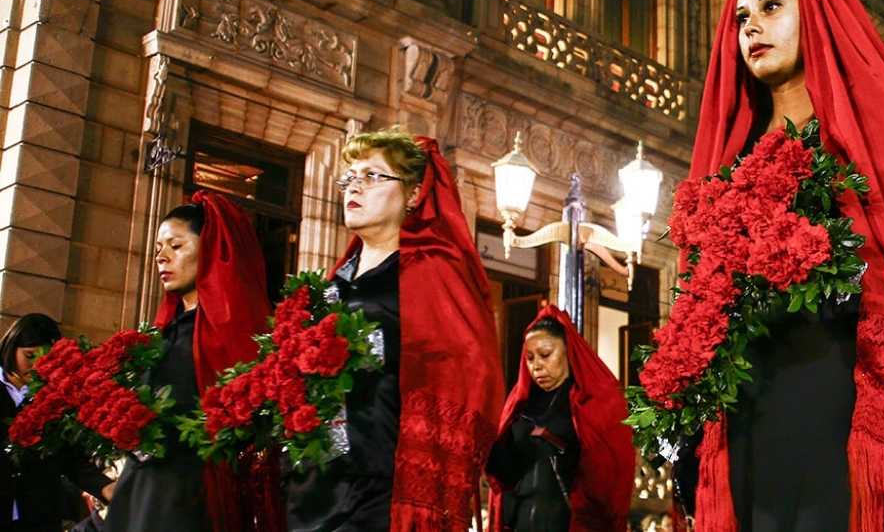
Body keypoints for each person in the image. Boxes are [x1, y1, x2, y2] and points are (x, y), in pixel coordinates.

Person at [681, 0, 884, 530]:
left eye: (773, 7)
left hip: (835, 384)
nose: (752, 27)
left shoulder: (876, 140)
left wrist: (823, 262)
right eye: (742, 18)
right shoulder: (733, 153)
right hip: (747, 396)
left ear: (819, 16)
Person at [284, 126, 503, 530]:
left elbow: (470, 371)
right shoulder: (334, 281)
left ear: (415, 193)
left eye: (372, 176)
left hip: (382, 487)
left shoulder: (433, 272)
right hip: (312, 484)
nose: (355, 187)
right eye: (349, 177)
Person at [104, 191, 282, 532]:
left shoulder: (237, 336)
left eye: (176, 245)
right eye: (159, 248)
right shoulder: (162, 334)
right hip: (141, 494)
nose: (162, 257)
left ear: (213, 249)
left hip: (189, 503)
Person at [486, 305, 634, 531]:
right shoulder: (517, 406)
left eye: (546, 355)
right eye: (530, 358)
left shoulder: (594, 405)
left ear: (568, 351)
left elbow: (609, 482)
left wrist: (566, 452)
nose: (537, 366)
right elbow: (503, 478)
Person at [0, 314, 114, 531]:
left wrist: (104, 487)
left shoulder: (57, 396)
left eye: (46, 359)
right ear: (11, 347)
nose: (36, 366)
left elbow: (69, 456)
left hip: (37, 514)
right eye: (30, 356)